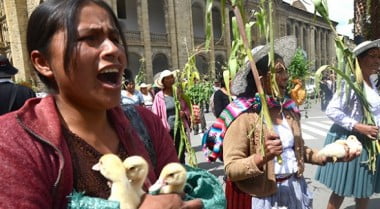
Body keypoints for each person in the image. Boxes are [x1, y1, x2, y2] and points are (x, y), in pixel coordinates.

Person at [0, 1, 202, 208]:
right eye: (89, 39)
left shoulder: (147, 125)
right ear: (43, 62)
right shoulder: (13, 144)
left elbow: (179, 194)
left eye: (115, 39)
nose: (113, 49)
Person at [222, 36, 357, 209]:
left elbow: (297, 151)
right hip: (263, 198)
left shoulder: (288, 110)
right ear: (261, 79)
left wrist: (328, 155)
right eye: (279, 71)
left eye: (285, 70)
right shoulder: (243, 116)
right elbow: (231, 169)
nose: (286, 76)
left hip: (294, 189)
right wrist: (262, 158)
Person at [315, 39, 380, 209]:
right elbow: (332, 110)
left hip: (370, 142)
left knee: (364, 188)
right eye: (372, 56)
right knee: (341, 189)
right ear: (359, 59)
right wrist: (358, 126)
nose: (377, 61)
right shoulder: (351, 84)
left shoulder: (372, 82)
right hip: (353, 140)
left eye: (379, 57)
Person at [152, 69, 191, 163]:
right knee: (169, 152)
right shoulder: (159, 97)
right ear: (163, 82)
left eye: (171, 78)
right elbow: (155, 114)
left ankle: (183, 171)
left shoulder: (178, 93)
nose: (170, 80)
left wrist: (184, 113)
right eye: (167, 79)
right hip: (167, 129)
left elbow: (186, 107)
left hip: (180, 128)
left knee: (181, 152)